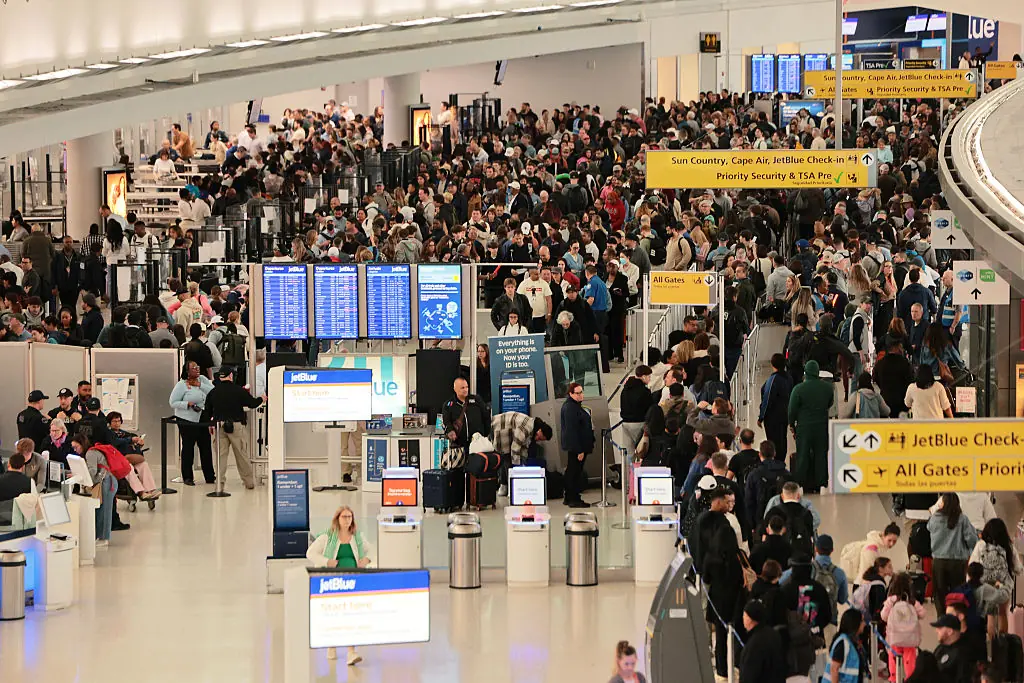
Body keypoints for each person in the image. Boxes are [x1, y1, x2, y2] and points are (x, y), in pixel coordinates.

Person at [305, 505, 374, 666]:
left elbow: (370, 551)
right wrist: (326, 562)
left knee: (350, 614)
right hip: (333, 580)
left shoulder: (357, 537)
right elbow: (310, 553)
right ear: (337, 518)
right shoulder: (327, 537)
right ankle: (332, 644)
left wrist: (367, 560)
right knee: (335, 613)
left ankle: (351, 651)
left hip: (352, 580)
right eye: (344, 517)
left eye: (350, 517)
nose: (347, 520)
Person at [202, 367, 264, 489]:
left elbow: (207, 412)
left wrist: (211, 424)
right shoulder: (238, 391)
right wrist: (262, 399)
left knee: (221, 457)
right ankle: (249, 482)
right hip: (236, 426)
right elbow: (252, 403)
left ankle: (219, 484)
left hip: (219, 426)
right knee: (241, 455)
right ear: (231, 376)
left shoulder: (213, 392)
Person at [788, 360, 833, 493]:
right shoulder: (827, 388)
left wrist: (792, 424)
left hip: (804, 427)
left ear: (805, 372)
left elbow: (792, 409)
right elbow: (830, 403)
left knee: (803, 454)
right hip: (822, 426)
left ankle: (802, 482)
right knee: (820, 454)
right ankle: (820, 482)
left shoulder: (798, 389)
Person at [928, 493, 978, 614]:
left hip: (938, 561)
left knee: (939, 594)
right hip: (957, 562)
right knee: (957, 593)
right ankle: (956, 618)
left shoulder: (934, 518)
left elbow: (929, 528)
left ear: (943, 503)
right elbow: (972, 540)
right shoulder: (962, 519)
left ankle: (942, 618)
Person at [169, 360, 215, 486]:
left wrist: (200, 385)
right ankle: (187, 477)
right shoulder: (181, 385)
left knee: (205, 446)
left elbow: (212, 391)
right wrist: (187, 404)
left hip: (203, 418)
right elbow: (173, 402)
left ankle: (210, 476)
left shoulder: (203, 379)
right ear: (187, 371)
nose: (197, 369)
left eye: (197, 366)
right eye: (194, 367)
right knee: (188, 447)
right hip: (187, 419)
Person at [489, 412, 552, 496]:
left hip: (505, 429)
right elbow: (515, 447)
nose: (538, 440)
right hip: (498, 427)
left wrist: (523, 463)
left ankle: (506, 486)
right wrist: (517, 469)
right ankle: (509, 488)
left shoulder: (533, 428)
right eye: (540, 438)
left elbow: (524, 448)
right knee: (506, 457)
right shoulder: (527, 428)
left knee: (507, 457)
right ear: (540, 431)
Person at [70, 433, 116, 547]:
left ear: (82, 444)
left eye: (76, 447)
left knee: (105, 510)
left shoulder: (90, 453)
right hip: (106, 481)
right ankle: (100, 536)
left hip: (107, 482)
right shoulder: (91, 452)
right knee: (101, 510)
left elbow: (92, 471)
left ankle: (104, 537)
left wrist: (79, 476)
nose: (75, 450)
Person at [880, 572, 926, 682]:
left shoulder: (891, 600)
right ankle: (910, 678)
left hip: (894, 637)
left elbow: (883, 616)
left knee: (893, 658)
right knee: (910, 659)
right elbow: (923, 614)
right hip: (910, 638)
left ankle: (893, 678)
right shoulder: (911, 601)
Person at [560, 382, 595, 508]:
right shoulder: (570, 408)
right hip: (576, 446)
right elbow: (572, 430)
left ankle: (569, 496)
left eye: (581, 392)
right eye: (577, 393)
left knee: (573, 471)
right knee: (574, 472)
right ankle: (573, 498)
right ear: (571, 394)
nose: (581, 395)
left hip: (579, 445)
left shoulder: (575, 406)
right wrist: (579, 450)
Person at [738, 599, 787, 683]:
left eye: (744, 615)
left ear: (751, 618)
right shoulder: (773, 634)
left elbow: (748, 675)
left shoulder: (754, 644)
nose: (743, 618)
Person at [841, 523, 901, 589]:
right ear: (884, 535)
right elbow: (868, 571)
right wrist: (885, 571)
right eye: (889, 540)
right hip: (863, 586)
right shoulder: (872, 548)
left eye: (894, 541)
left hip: (869, 584)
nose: (891, 544)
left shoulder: (882, 547)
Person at [758, 353, 792, 464]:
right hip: (784, 415)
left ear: (773, 364)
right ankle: (781, 462)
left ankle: (774, 463)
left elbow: (767, 399)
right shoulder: (789, 378)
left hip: (773, 417)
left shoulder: (773, 380)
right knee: (782, 439)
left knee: (773, 441)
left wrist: (761, 417)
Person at [441, 377, 491, 452]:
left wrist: (486, 435)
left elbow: (486, 417)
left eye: (467, 387)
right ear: (455, 389)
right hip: (460, 445)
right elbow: (446, 421)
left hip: (478, 444)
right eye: (462, 388)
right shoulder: (449, 405)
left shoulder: (476, 400)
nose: (466, 390)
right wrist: (450, 431)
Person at [822, 609, 868, 683]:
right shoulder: (843, 642)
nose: (864, 624)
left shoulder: (853, 641)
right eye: (862, 621)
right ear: (855, 623)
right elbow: (834, 669)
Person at [932, 613, 974, 683]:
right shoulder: (940, 648)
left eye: (939, 628)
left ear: (950, 631)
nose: (936, 631)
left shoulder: (962, 653)